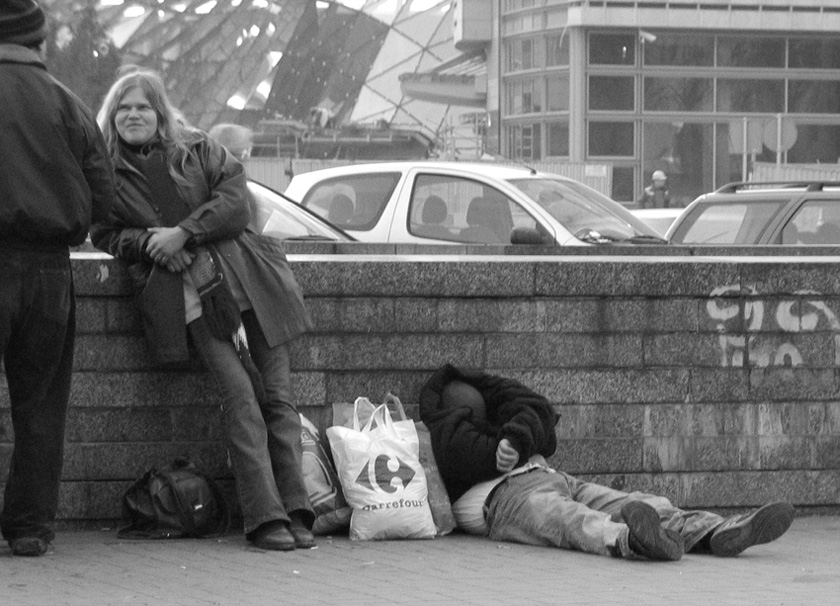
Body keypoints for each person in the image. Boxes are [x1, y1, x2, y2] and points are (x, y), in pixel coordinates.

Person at [91, 69, 316, 551]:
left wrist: (184, 232)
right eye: (123, 108)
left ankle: (298, 509)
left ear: (160, 112)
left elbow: (236, 202)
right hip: (192, 297)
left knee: (278, 399)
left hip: (253, 284)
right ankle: (265, 517)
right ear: (112, 117)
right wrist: (149, 242)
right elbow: (104, 233)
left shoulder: (197, 148)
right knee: (240, 400)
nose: (133, 115)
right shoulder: (106, 172)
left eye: (143, 107)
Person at [419, 364, 795, 561]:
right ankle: (633, 541)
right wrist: (499, 452)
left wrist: (516, 438)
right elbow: (463, 452)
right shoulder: (444, 438)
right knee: (572, 521)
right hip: (504, 502)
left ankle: (716, 531)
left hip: (549, 475)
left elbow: (536, 407)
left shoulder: (504, 427)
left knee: (633, 502)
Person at [0, 0, 116, 557]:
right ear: (39, 43)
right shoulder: (67, 103)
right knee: (41, 406)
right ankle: (28, 527)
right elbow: (105, 194)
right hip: (49, 269)